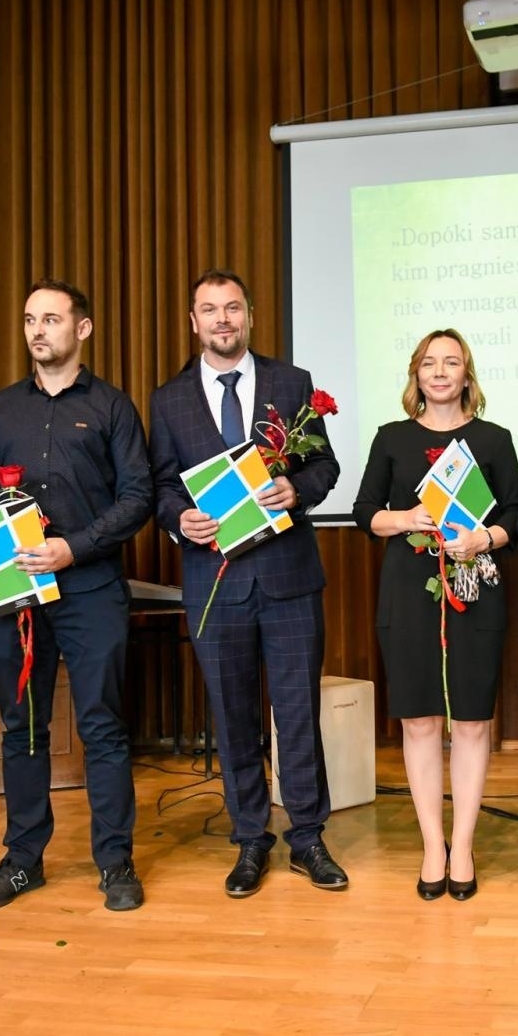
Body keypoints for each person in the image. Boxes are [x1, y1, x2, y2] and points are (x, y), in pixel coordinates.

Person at [148, 268, 346, 897]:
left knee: (298, 712)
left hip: (289, 578)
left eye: (232, 307)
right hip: (214, 581)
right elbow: (160, 485)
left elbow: (324, 464)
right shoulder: (168, 400)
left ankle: (308, 837)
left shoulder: (292, 383)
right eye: (210, 310)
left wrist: (298, 488)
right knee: (232, 716)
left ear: (250, 316)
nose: (223, 319)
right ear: (194, 321)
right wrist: (178, 519)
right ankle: (250, 839)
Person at [0, 278, 152, 913]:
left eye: (51, 319)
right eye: (29, 320)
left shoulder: (112, 408)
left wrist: (74, 547)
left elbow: (138, 498)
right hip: (18, 596)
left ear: (82, 329)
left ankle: (115, 862)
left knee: (103, 727)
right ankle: (23, 861)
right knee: (23, 728)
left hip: (91, 589)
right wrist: (2, 550)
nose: (38, 331)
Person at [352, 329, 518, 901]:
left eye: (452, 362)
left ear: (467, 374)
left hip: (475, 591)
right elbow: (364, 511)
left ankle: (464, 845)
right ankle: (433, 846)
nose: (441, 371)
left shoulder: (494, 439)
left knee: (471, 722)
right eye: (430, 363)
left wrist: (483, 538)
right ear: (417, 375)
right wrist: (406, 519)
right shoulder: (392, 438)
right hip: (408, 593)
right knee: (420, 721)